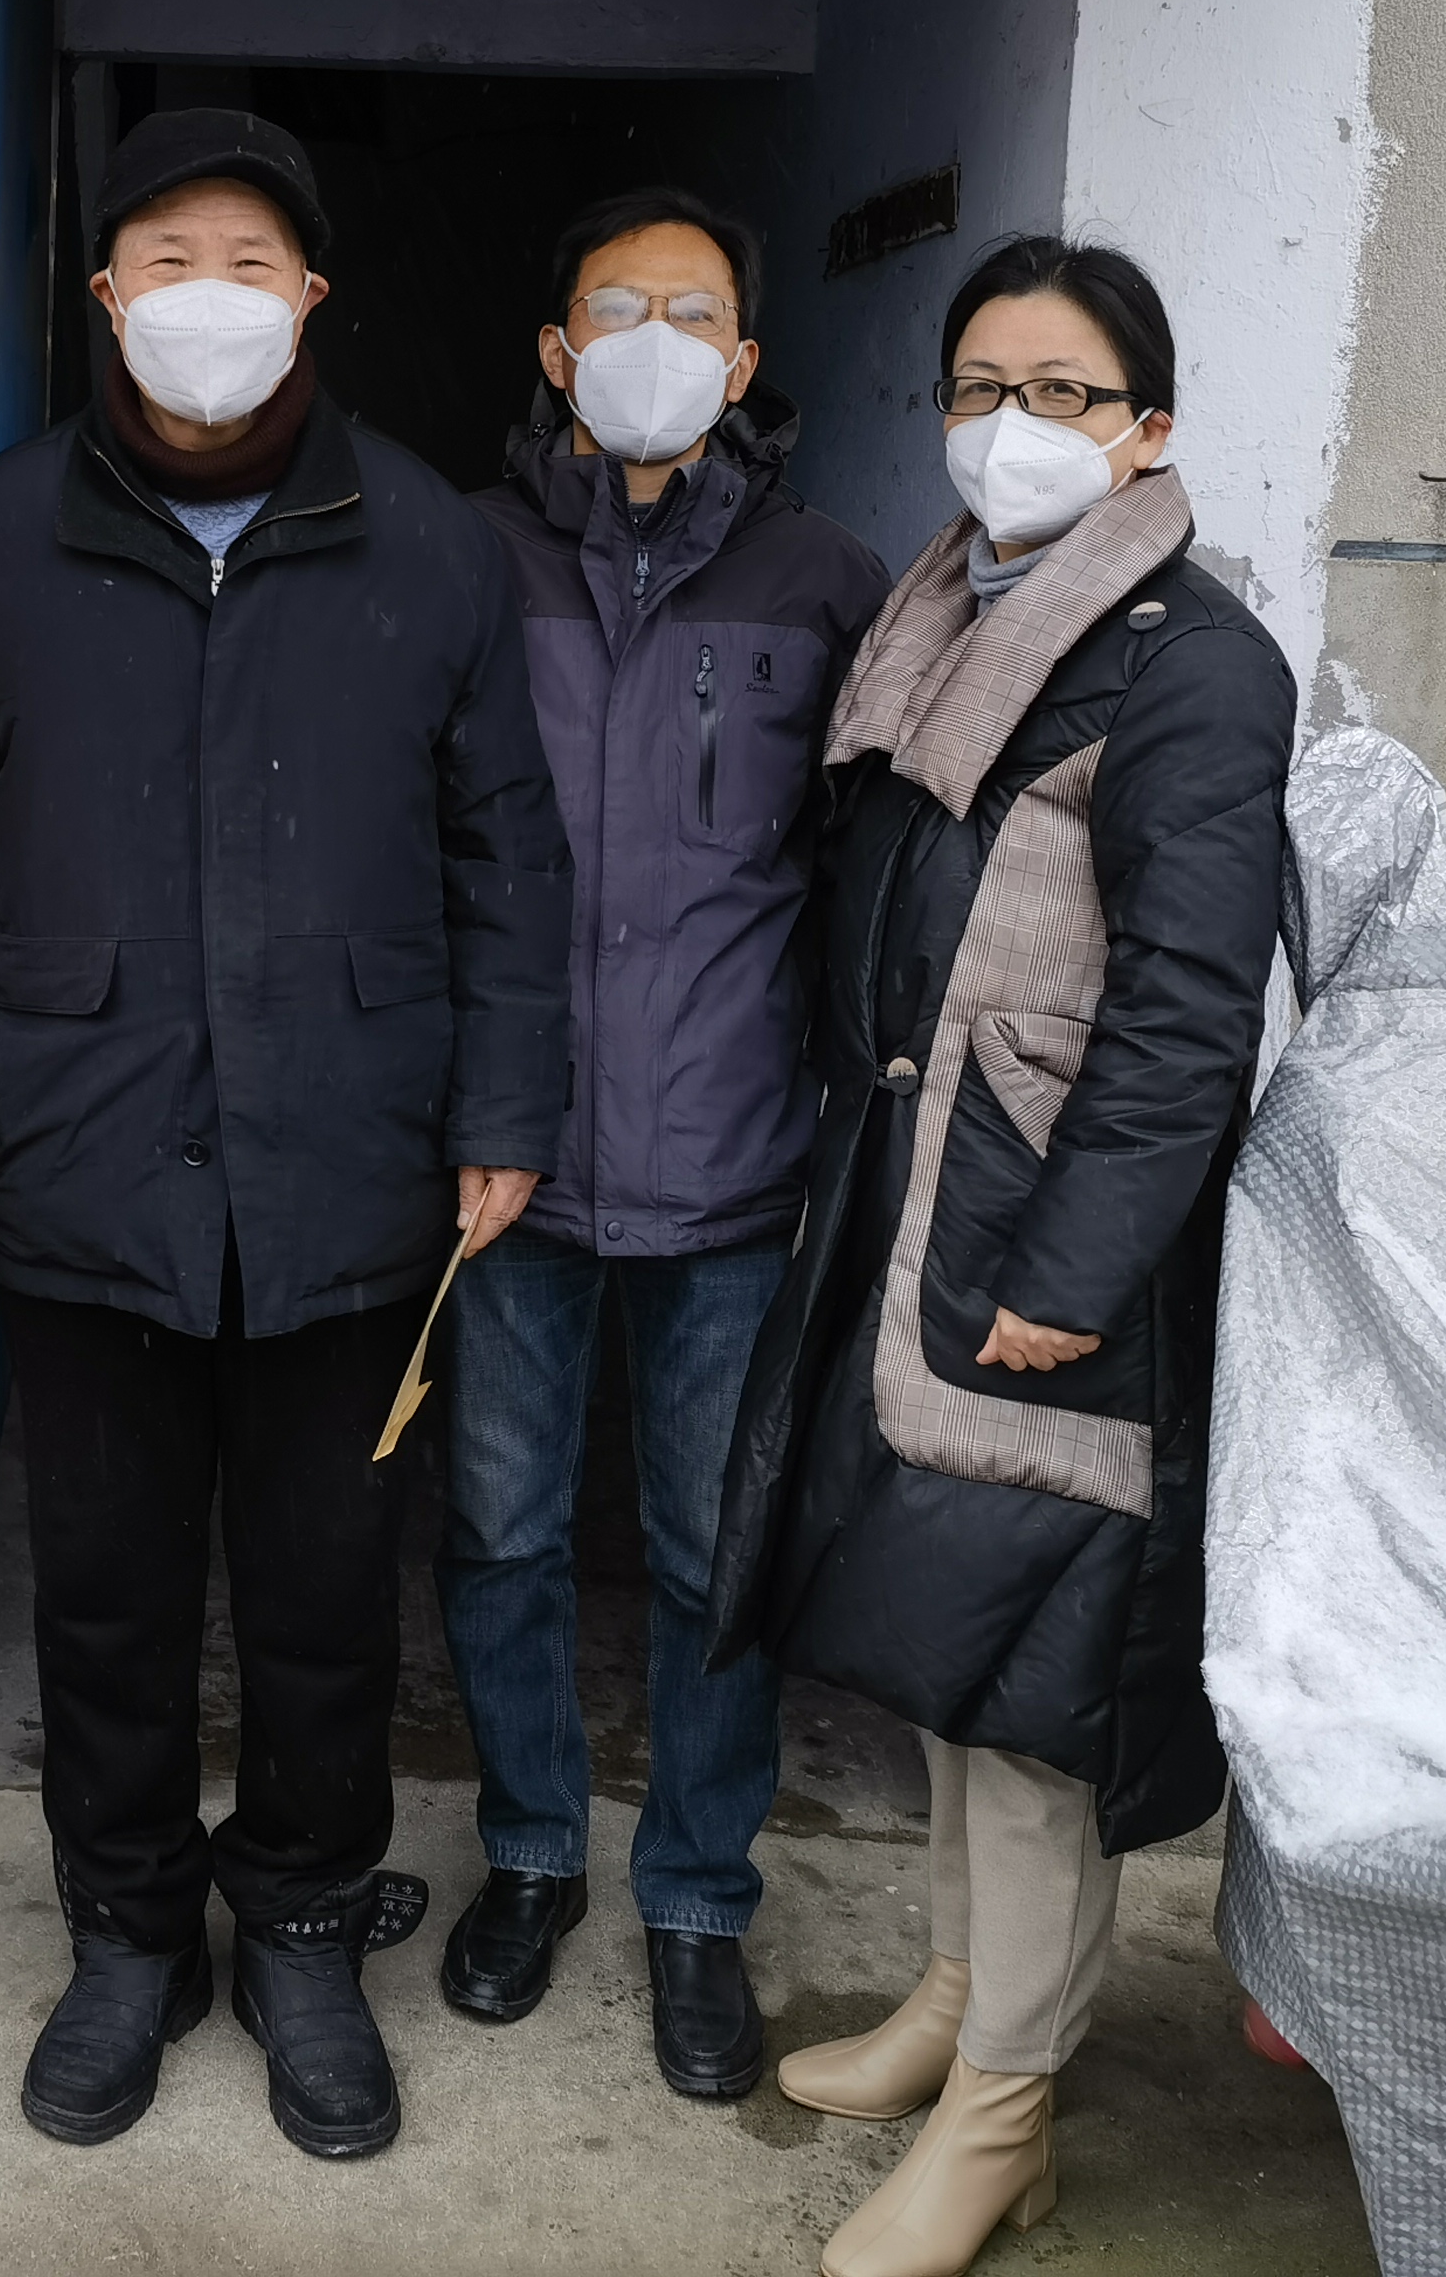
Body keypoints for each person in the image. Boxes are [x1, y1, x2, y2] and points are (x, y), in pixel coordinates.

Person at [0, 108, 572, 2165]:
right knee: (107, 1595)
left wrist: (506, 1104)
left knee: (328, 1594)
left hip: (357, 1158)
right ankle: (130, 1936)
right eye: (166, 261)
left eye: (248, 264)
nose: (206, 301)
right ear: (103, 294)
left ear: (311, 296)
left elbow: (508, 856)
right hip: (79, 1155)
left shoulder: (429, 544)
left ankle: (307, 1932)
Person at [707, 235, 1295, 2277]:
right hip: (919, 1198)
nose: (1010, 426)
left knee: (1035, 1686)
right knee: (949, 1647)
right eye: (979, 387)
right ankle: (960, 2005)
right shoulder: (952, 611)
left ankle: (1007, 2118)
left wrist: (1075, 1263)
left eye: (1062, 392)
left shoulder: (1190, 663)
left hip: (1046, 1247)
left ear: (1147, 428)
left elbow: (1188, 1013)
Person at [441, 189, 891, 2099]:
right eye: (613, 308)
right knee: (502, 1532)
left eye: (689, 313)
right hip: (510, 1158)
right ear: (557, 353)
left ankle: (699, 1899)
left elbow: (865, 878)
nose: (650, 341)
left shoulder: (828, 583)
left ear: (744, 359)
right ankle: (533, 1855)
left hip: (730, 1163)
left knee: (717, 1554)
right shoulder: (464, 560)